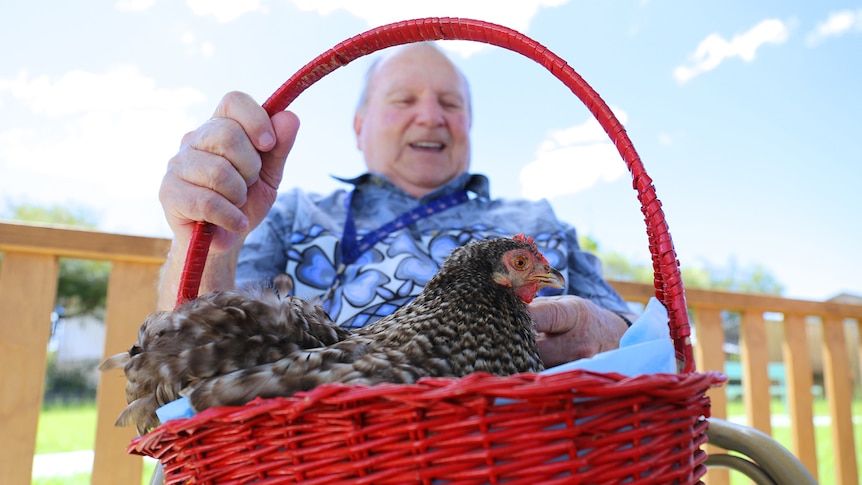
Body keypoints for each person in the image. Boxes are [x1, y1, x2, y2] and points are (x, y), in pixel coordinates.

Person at [157, 42, 635, 367]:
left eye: (451, 104)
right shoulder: (289, 213)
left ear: (470, 125)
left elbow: (662, 352)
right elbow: (198, 358)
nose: (430, 117)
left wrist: (607, 333)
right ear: (359, 125)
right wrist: (212, 240)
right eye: (404, 100)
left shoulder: (535, 222)